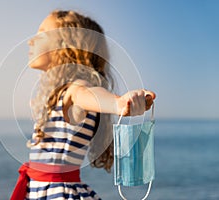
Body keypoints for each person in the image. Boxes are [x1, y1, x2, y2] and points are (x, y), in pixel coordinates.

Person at [10, 10, 156, 200]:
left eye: (42, 33)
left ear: (67, 45)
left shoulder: (75, 88)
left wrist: (117, 103)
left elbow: (88, 94)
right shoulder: (57, 94)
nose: (31, 40)